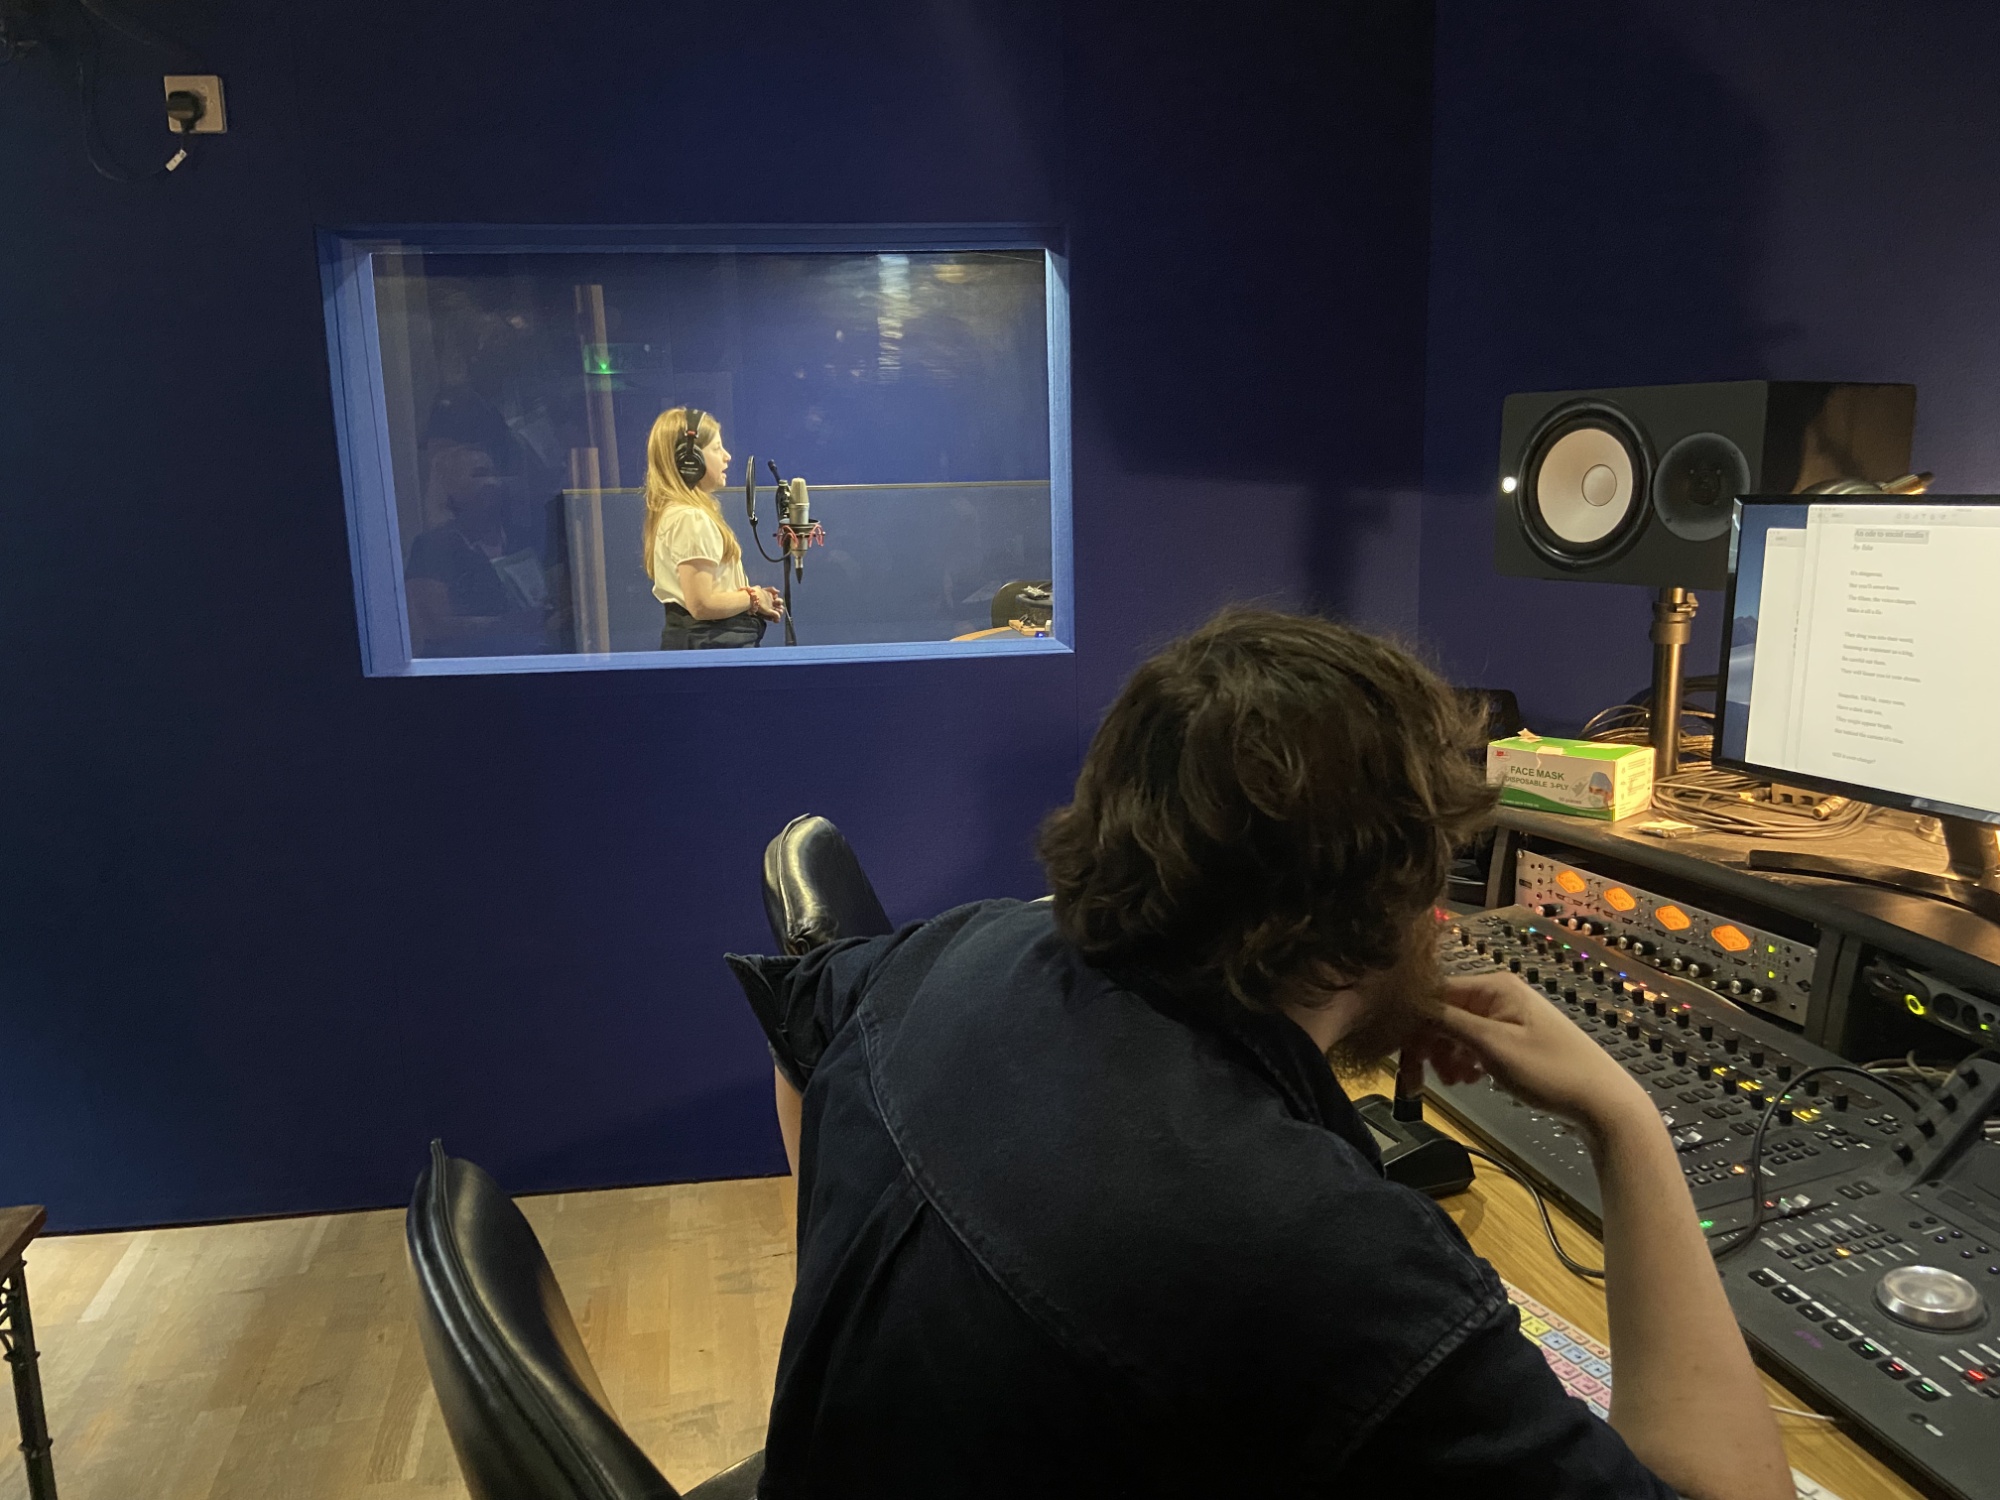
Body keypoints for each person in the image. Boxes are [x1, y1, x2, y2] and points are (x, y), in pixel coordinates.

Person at [731, 609, 1792, 1500]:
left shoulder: (960, 948)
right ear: (1391, 910)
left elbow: (801, 1022)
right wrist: (1623, 1121)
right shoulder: (1322, 1261)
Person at [644, 407, 783, 649]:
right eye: (717, 448)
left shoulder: (680, 514)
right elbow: (702, 605)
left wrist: (754, 599)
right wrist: (753, 598)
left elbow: (709, 593)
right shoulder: (690, 518)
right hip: (711, 650)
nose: (727, 456)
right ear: (689, 460)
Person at [405, 440, 553, 656]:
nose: (492, 482)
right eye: (479, 474)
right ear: (450, 488)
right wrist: (505, 624)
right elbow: (433, 627)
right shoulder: (433, 547)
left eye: (494, 473)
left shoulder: (523, 538)